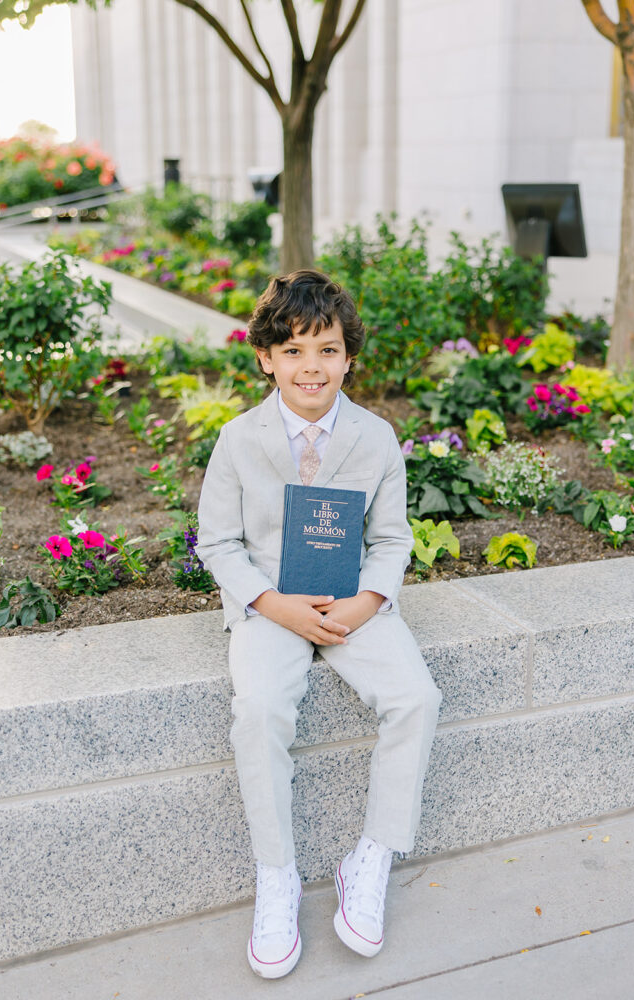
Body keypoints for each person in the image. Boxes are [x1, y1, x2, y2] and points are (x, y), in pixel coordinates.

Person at [196, 269, 443, 979]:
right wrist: (269, 604)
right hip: (268, 604)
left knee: (416, 698)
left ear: (348, 358)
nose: (312, 367)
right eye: (295, 351)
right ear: (266, 358)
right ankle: (275, 875)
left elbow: (391, 539)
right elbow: (218, 543)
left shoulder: (374, 436)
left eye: (327, 350)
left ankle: (369, 857)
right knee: (262, 708)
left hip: (350, 603)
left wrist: (369, 601)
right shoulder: (237, 439)